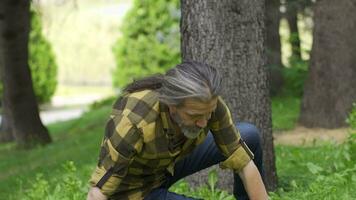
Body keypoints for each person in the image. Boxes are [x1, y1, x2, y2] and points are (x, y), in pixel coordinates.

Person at [87, 61, 268, 200]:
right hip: (136, 190)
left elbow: (243, 162)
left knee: (248, 136)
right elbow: (99, 192)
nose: (203, 123)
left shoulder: (206, 103)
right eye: (195, 116)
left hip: (168, 164)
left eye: (209, 114)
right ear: (172, 104)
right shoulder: (133, 120)